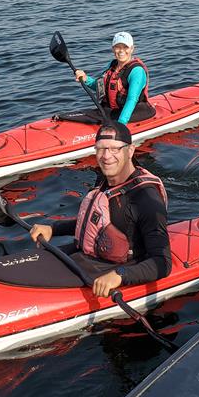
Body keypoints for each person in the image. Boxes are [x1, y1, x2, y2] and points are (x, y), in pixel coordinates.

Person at [29, 121, 171, 297]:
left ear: (131, 150)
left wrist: (120, 276)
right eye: (100, 149)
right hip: (91, 259)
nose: (106, 156)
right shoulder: (106, 180)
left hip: (120, 267)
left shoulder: (146, 199)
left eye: (114, 149)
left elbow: (162, 263)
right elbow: (98, 223)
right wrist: (53, 228)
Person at [74, 31, 155, 124]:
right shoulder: (112, 65)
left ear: (132, 49)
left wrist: (121, 124)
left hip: (135, 112)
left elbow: (132, 100)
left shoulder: (137, 71)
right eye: (118, 47)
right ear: (113, 49)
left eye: (125, 47)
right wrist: (85, 79)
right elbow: (102, 88)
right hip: (112, 111)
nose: (121, 51)